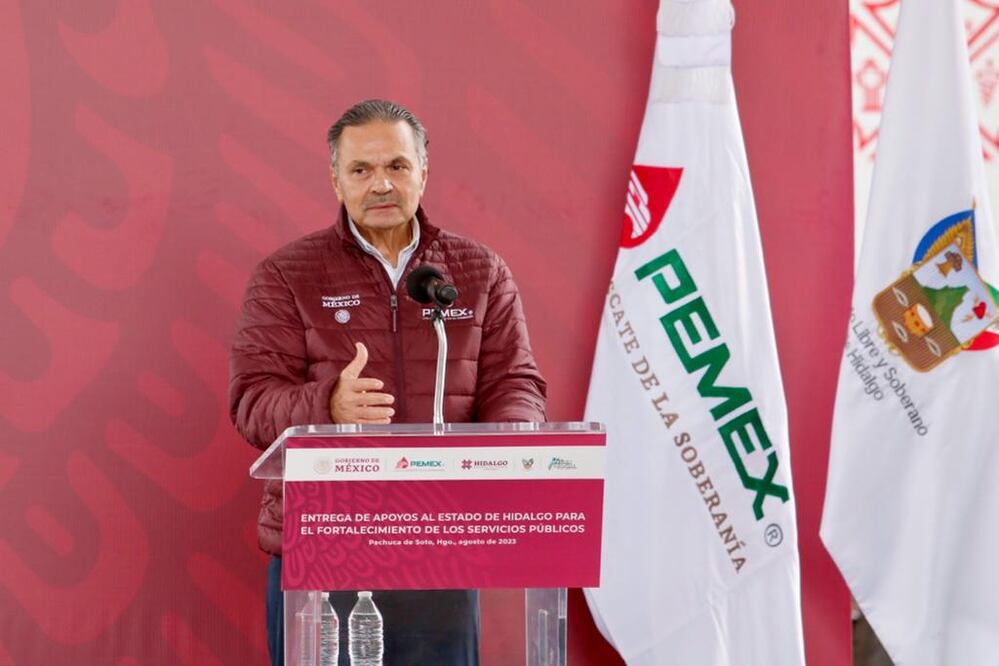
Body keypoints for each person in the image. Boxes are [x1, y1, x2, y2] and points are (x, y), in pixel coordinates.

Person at [228, 99, 547, 666]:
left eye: (397, 166)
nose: (381, 184)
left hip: (442, 541)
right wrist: (327, 404)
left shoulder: (478, 272)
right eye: (361, 169)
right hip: (326, 546)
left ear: (424, 170)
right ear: (335, 178)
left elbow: (514, 382)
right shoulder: (287, 275)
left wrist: (510, 445)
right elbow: (252, 403)